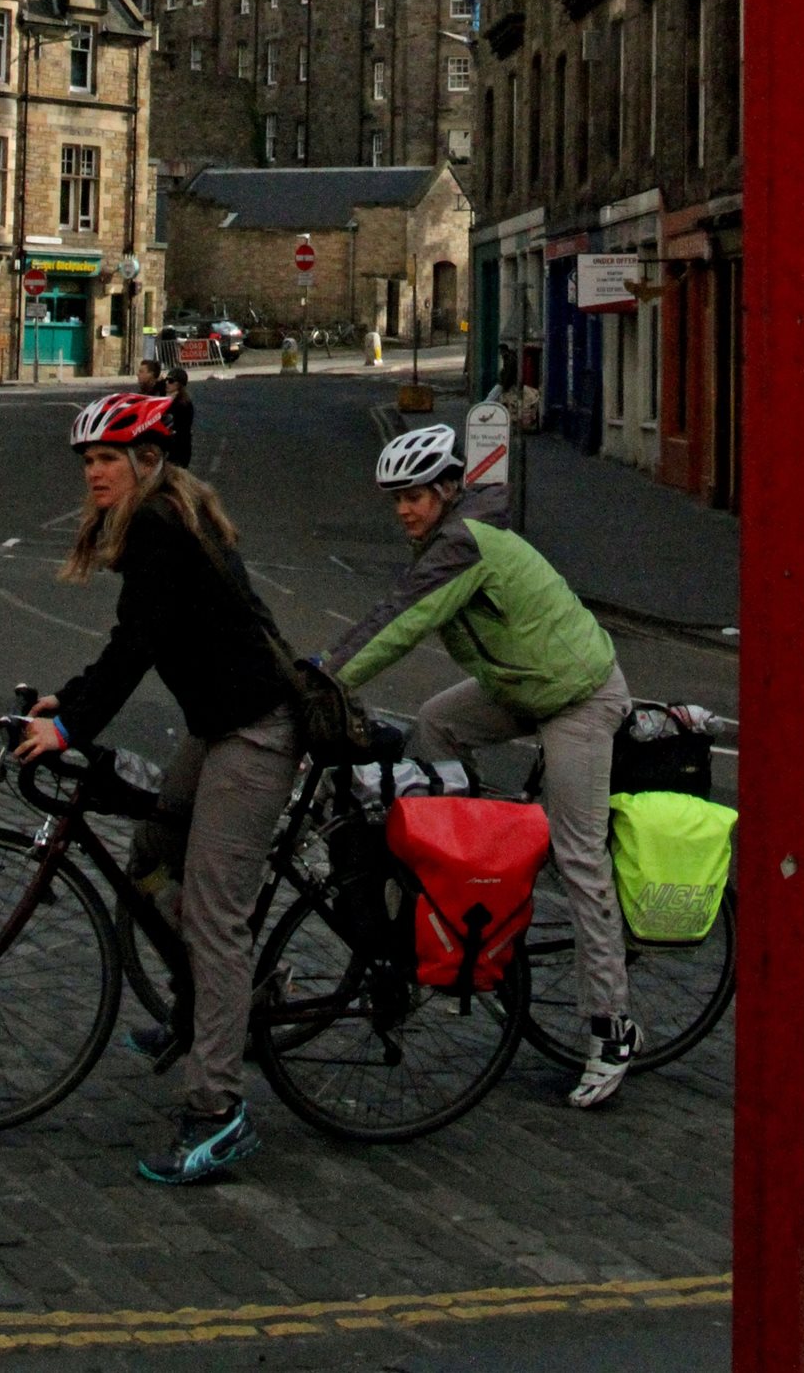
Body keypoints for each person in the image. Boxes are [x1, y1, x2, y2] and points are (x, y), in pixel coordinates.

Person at [17, 391, 298, 1186]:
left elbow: (136, 646)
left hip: (256, 731)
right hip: (217, 725)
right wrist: (67, 703)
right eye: (89, 461)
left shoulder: (161, 525)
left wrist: (69, 729)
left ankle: (219, 1114)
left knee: (213, 914)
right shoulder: (162, 517)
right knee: (149, 857)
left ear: (146, 460)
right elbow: (132, 637)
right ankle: (215, 1001)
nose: (94, 473)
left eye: (107, 458)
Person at [323, 425, 640, 1108]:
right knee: (435, 723)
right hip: (520, 684)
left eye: (413, 495)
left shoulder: (465, 544)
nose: (403, 510)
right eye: (395, 499)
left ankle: (611, 1027)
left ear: (445, 491)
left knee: (580, 857)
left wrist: (324, 677)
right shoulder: (449, 540)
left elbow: (400, 621)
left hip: (578, 696)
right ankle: (467, 862)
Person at [164, 366, 195, 468]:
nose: (167, 383)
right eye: (166, 380)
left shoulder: (183, 404)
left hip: (179, 449)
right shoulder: (165, 400)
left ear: (179, 384)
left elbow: (183, 429)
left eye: (171, 381)